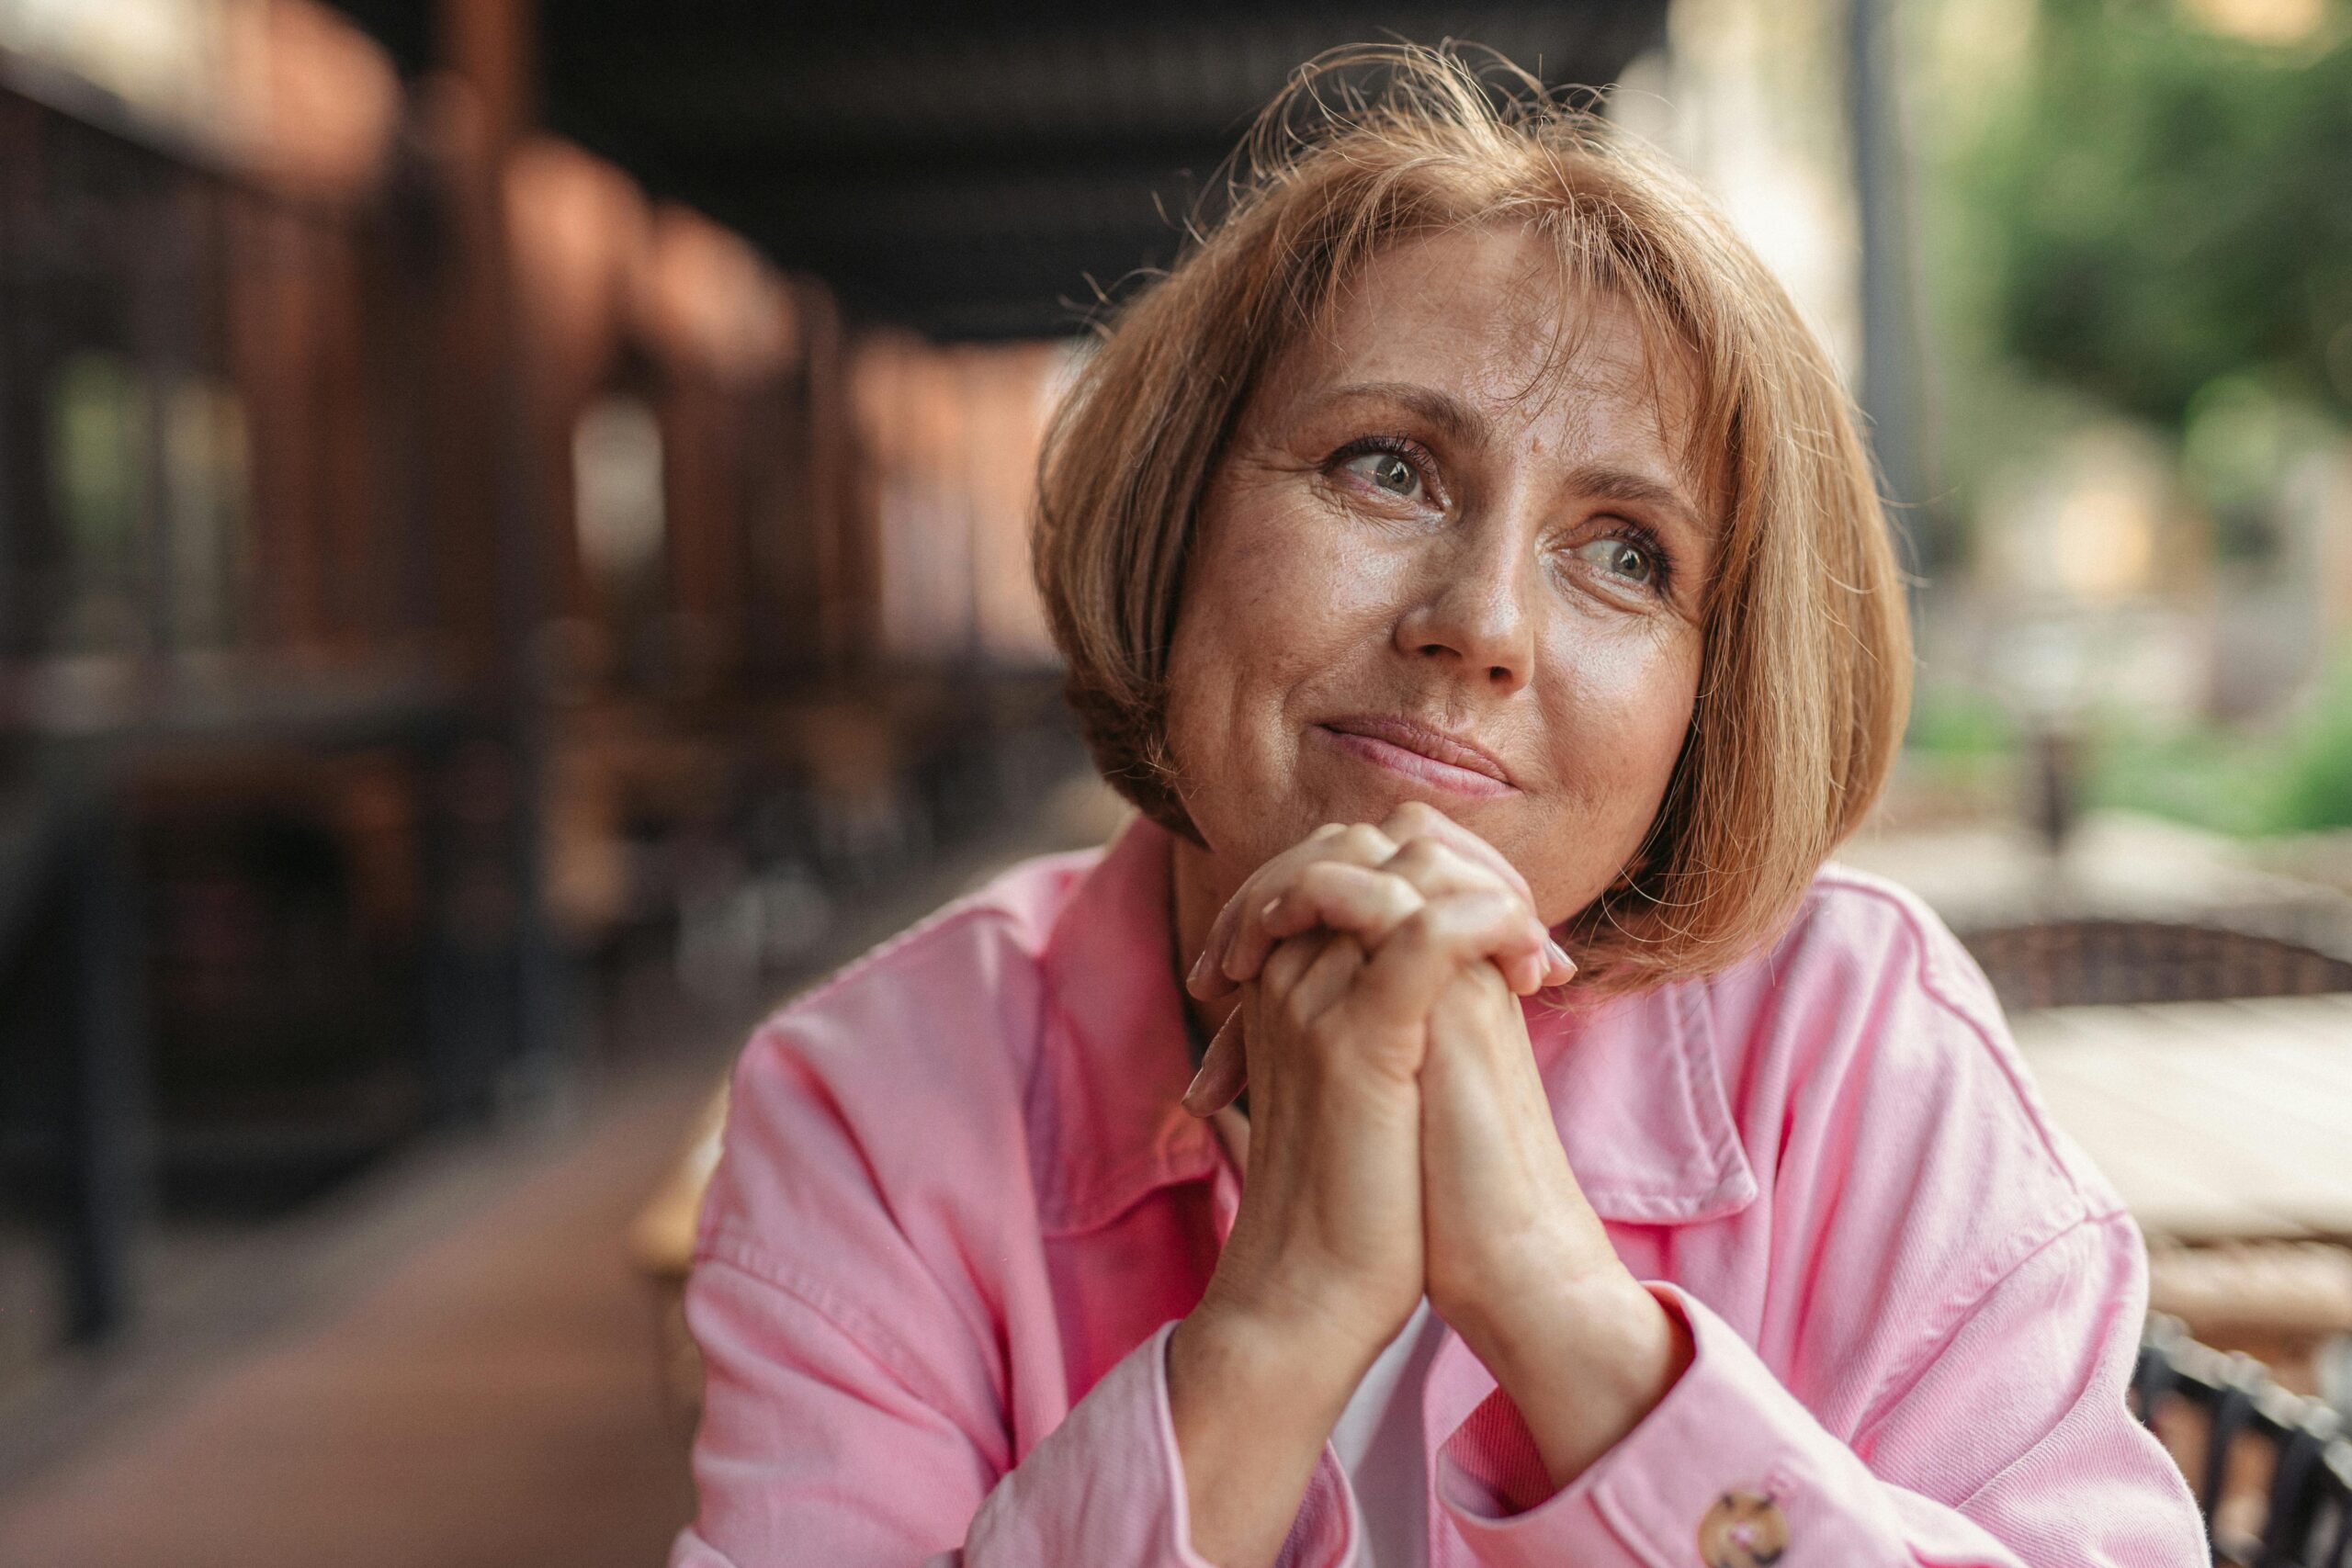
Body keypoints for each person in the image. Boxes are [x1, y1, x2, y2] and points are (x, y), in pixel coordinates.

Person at [669, 44, 2205, 1568]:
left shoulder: (1860, 1041)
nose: (1482, 624)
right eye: (1386, 466)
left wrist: (1567, 1318)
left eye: (1626, 554)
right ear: (1178, 515)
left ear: (1711, 695)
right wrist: (1274, 1329)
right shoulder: (869, 1100)